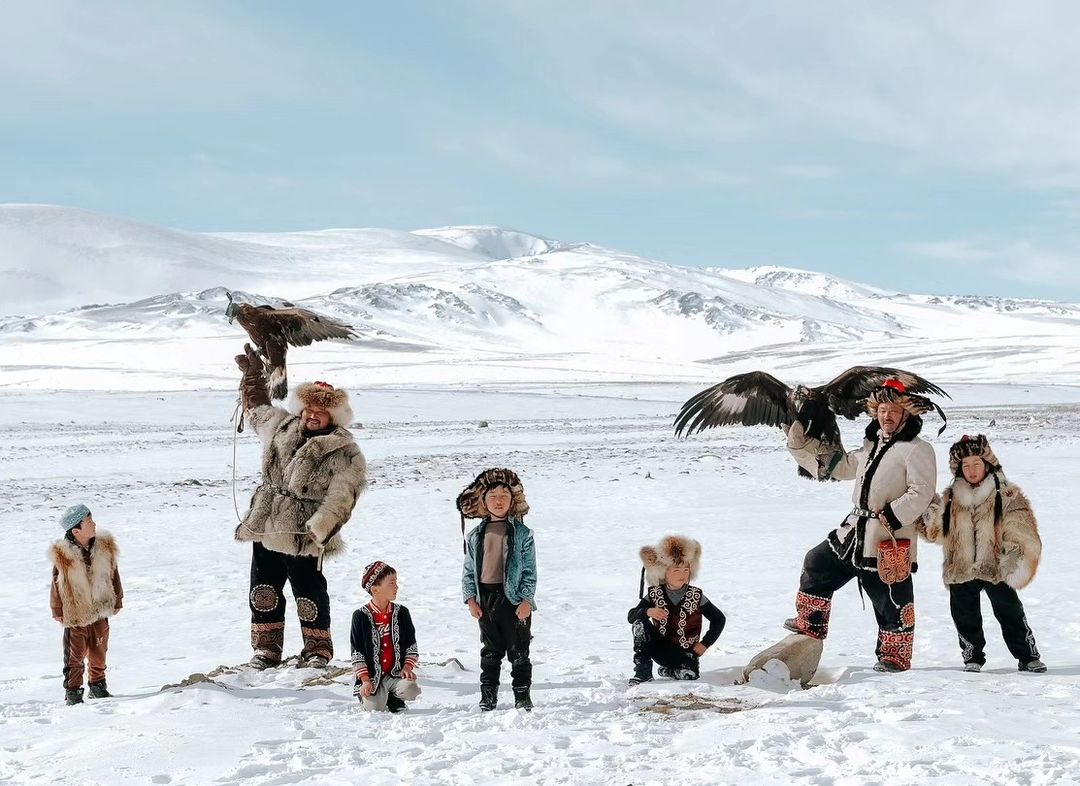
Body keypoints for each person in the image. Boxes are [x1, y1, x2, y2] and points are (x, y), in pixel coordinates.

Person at [784, 379, 940, 672]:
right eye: (882, 409)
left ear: (906, 413)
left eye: (893, 410)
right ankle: (812, 623)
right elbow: (842, 467)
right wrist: (801, 448)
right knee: (817, 563)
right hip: (854, 530)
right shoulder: (872, 445)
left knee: (890, 597)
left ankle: (895, 656)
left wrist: (893, 514)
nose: (887, 416)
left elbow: (922, 491)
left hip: (888, 535)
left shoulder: (918, 449)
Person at [235, 344, 368, 669]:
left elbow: (343, 495)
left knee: (309, 592)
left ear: (332, 416)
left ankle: (317, 650)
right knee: (263, 588)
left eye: (319, 412)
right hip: (267, 523)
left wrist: (321, 525)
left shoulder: (344, 450)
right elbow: (256, 409)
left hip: (305, 532)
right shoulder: (281, 425)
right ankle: (266, 650)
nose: (311, 415)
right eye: (307, 408)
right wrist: (252, 376)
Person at [919, 435, 1045, 673]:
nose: (971, 470)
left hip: (996, 566)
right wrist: (925, 511)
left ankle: (1027, 656)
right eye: (965, 465)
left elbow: (1021, 528)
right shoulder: (951, 498)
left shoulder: (1006, 495)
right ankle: (972, 656)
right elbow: (937, 532)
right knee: (964, 616)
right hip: (961, 567)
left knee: (1010, 612)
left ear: (987, 464)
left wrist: (1011, 556)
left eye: (976, 463)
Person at [458, 468, 537, 711]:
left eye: (504, 495)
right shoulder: (475, 535)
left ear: (512, 501)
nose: (499, 500)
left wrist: (526, 599)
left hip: (513, 601)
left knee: (519, 650)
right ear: (483, 501)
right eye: (492, 496)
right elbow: (469, 569)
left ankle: (522, 695)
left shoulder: (522, 534)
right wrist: (470, 599)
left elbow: (530, 571)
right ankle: (488, 695)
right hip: (486, 599)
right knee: (490, 651)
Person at [49, 504, 123, 705]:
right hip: (77, 611)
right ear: (76, 531)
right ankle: (73, 691)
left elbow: (114, 575)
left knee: (100, 648)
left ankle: (98, 685)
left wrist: (118, 598)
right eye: (89, 523)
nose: (94, 525)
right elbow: (57, 583)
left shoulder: (103, 548)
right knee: (75, 654)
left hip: (100, 606)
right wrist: (57, 608)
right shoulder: (64, 555)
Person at [627, 535, 726, 685]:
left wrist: (705, 644)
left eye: (686, 570)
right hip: (659, 648)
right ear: (663, 572)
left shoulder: (696, 595)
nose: (683, 575)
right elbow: (631, 616)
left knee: (690, 675)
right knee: (639, 623)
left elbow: (719, 619)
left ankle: (670, 670)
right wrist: (648, 612)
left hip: (686, 653)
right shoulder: (655, 594)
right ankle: (643, 671)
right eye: (676, 570)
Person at [351, 561, 421, 712]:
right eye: (392, 583)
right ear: (375, 589)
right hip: (371, 679)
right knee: (374, 708)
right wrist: (364, 680)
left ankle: (395, 698)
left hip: (395, 674)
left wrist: (407, 667)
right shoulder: (360, 616)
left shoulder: (402, 612)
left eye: (396, 582)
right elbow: (357, 653)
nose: (396, 587)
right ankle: (370, 696)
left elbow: (411, 645)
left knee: (411, 689)